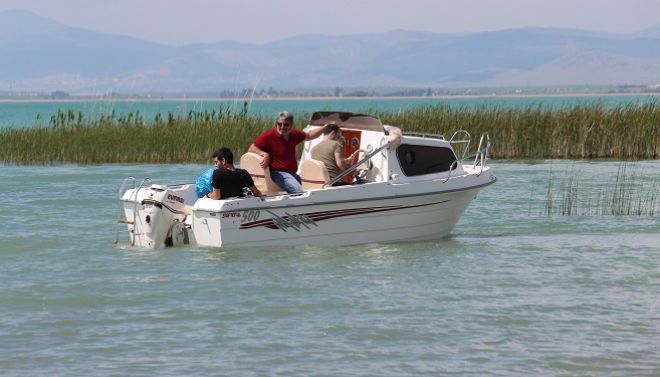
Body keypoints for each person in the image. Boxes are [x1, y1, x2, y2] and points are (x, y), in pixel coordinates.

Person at [248, 111, 323, 193]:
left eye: (286, 124)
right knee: (298, 191)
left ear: (291, 125)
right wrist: (264, 154)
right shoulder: (269, 135)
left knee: (314, 189)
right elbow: (252, 148)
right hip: (277, 173)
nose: (282, 127)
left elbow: (309, 135)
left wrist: (325, 127)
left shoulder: (294, 134)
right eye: (279, 124)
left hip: (292, 174)